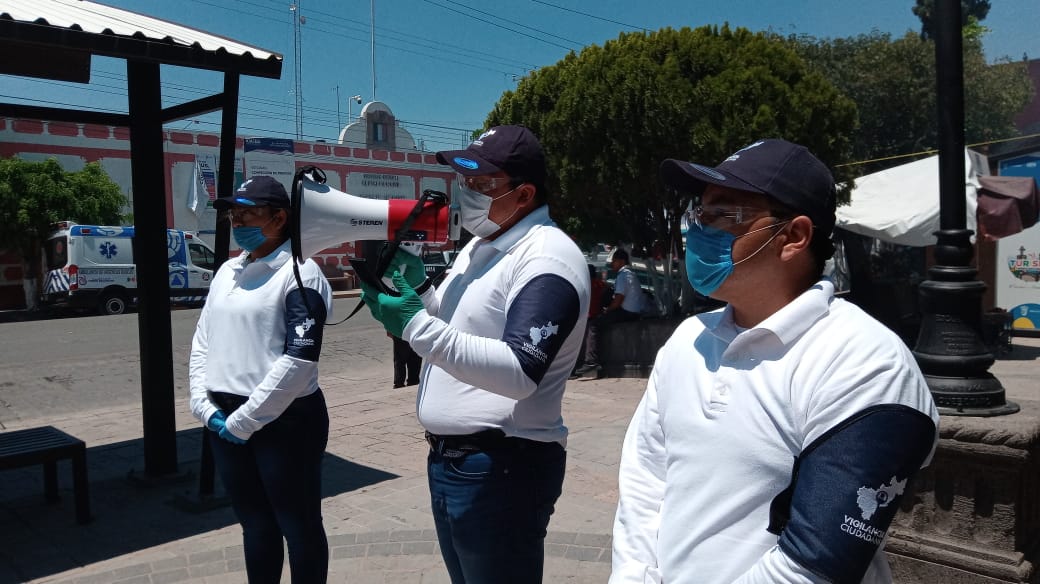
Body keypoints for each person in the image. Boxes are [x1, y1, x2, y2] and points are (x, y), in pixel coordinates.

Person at [609, 139, 939, 584]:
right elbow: (646, 483)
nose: (700, 231)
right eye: (699, 215)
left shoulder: (867, 364)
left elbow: (815, 565)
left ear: (794, 236)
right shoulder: (688, 340)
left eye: (724, 215)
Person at [360, 125, 590, 583]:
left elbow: (520, 370)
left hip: (503, 468)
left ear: (523, 194)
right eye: (464, 181)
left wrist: (414, 326)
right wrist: (420, 290)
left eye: (482, 184)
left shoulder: (548, 259)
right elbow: (455, 321)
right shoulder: (482, 247)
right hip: (459, 464)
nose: (466, 193)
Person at [188, 175, 333, 584]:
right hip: (224, 417)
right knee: (255, 523)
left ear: (279, 218)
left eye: (247, 213)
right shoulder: (228, 271)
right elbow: (203, 341)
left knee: (298, 525)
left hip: (285, 421)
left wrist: (247, 420)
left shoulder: (300, 273)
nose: (237, 222)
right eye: (233, 215)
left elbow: (299, 360)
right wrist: (205, 405)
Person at [576, 248, 646, 376]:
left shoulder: (623, 275)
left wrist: (608, 310)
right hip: (635, 311)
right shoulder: (631, 273)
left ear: (621, 261)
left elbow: (619, 299)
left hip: (627, 312)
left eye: (614, 261)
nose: (612, 264)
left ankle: (591, 361)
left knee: (594, 325)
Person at [572, 263, 609, 377]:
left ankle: (589, 362)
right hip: (594, 315)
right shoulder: (600, 284)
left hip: (586, 317)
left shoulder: (583, 284)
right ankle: (589, 362)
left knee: (582, 341)